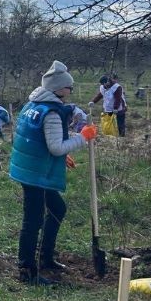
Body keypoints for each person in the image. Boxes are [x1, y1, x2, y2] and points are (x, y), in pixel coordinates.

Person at [9, 61, 96, 285]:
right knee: (33, 220)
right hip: (35, 173)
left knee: (57, 208)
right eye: (69, 87)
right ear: (57, 88)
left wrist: (58, 157)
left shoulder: (32, 105)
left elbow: (33, 139)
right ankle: (27, 270)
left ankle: (46, 258)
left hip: (29, 167)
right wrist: (83, 138)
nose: (71, 91)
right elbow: (55, 146)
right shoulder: (51, 113)